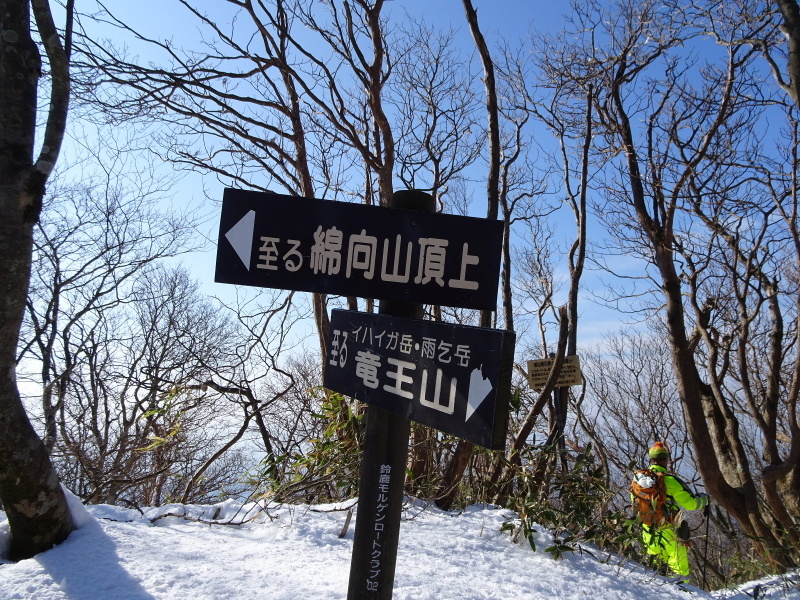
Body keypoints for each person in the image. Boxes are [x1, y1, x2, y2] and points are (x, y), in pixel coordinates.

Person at [639, 441, 709, 581]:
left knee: (655, 569)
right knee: (679, 569)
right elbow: (690, 504)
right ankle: (683, 594)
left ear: (650, 460)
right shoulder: (669, 480)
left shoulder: (639, 481)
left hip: (648, 528)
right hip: (669, 528)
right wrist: (705, 500)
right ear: (665, 460)